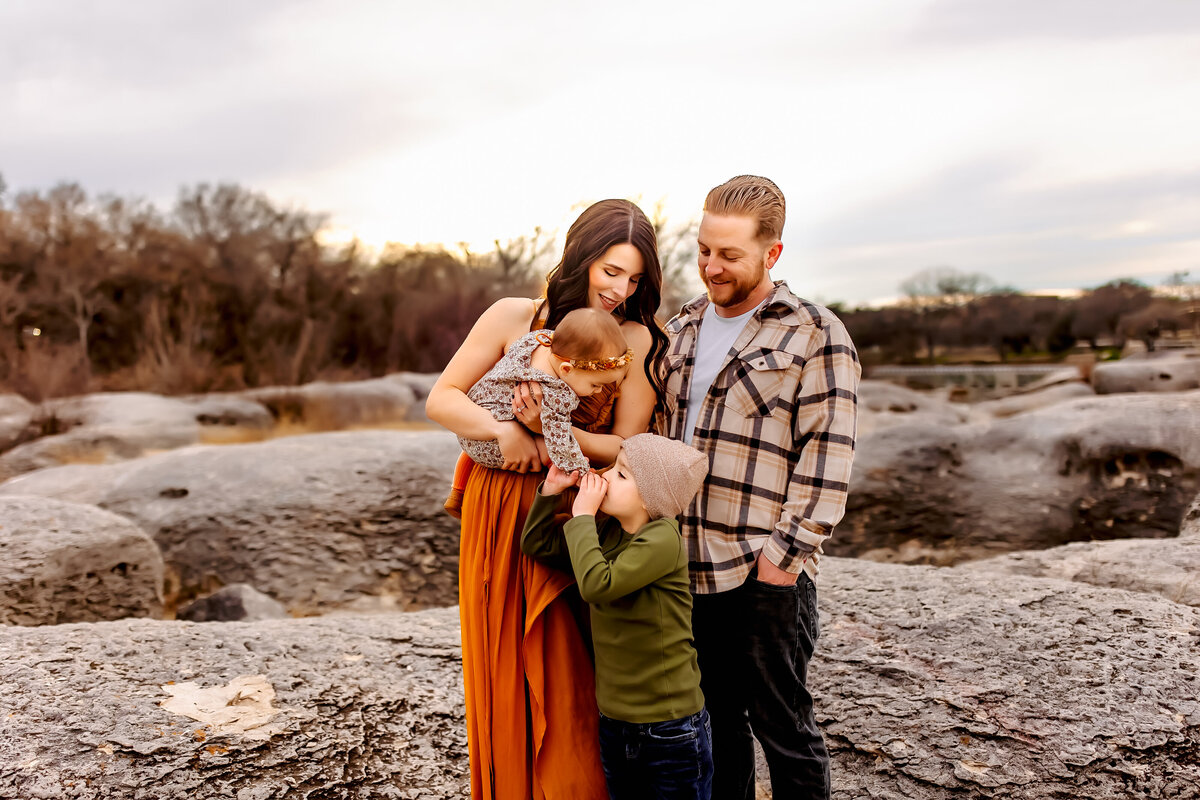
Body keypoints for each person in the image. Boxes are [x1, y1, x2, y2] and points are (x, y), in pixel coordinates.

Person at [425, 198, 668, 800]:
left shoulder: (632, 338)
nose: (619, 288)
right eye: (610, 270)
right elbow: (443, 398)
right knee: (501, 660)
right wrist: (505, 432)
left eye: (634, 277)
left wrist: (553, 434)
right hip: (495, 505)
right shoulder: (515, 315)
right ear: (581, 258)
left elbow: (631, 449)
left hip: (568, 515)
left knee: (565, 674)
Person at [656, 176, 860, 800]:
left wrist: (783, 561)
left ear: (772, 254)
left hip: (761, 572)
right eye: (704, 250)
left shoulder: (815, 332)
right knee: (715, 727)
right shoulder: (682, 328)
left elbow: (829, 455)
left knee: (784, 730)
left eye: (730, 256)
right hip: (683, 569)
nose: (710, 268)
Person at [520, 433, 711, 800]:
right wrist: (552, 491)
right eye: (612, 466)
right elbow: (538, 545)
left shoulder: (662, 539)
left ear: (651, 499)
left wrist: (582, 516)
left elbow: (597, 585)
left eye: (622, 475)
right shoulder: (606, 531)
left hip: (669, 727)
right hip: (615, 722)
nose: (605, 476)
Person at [457, 308, 633, 474]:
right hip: (490, 445)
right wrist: (579, 471)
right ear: (566, 370)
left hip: (473, 420)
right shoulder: (557, 393)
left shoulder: (538, 340)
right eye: (595, 385)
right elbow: (561, 441)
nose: (599, 391)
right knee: (546, 450)